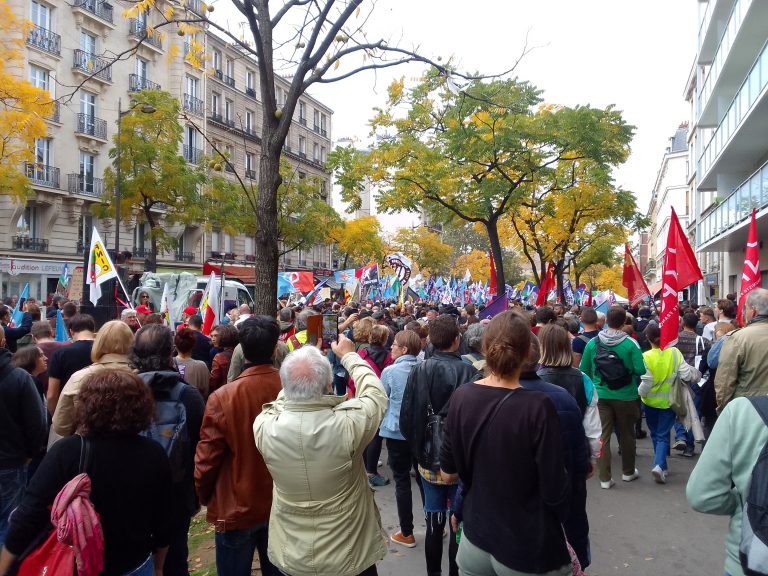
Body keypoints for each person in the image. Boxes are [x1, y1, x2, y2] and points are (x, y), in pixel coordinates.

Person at [0, 370, 173, 575]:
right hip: (136, 563)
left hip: (81, 566)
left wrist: (4, 566)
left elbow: (28, 515)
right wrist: (159, 565)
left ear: (87, 406)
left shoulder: (67, 452)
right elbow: (165, 518)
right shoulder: (154, 453)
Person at [440, 311, 572, 576]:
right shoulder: (538, 407)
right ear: (529, 352)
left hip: (476, 538)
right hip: (525, 544)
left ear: (485, 349)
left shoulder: (462, 396)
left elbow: (447, 474)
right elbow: (554, 489)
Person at [254, 337, 388, 576]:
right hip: (349, 556)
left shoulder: (264, 426)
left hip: (292, 554)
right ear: (328, 384)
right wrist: (349, 356)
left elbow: (286, 397)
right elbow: (375, 395)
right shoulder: (348, 425)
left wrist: (301, 370)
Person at [195, 317, 282, 576]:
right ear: (274, 349)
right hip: (281, 503)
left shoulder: (223, 397)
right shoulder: (291, 390)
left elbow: (206, 459)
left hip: (238, 505)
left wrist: (205, 495)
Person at [400, 315, 480, 576]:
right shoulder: (470, 372)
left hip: (428, 459)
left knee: (434, 521)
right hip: (459, 460)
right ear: (457, 340)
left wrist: (418, 450)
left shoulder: (419, 370)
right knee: (457, 523)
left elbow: (407, 416)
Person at [130, 324, 205, 576]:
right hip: (176, 492)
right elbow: (199, 445)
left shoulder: (121, 392)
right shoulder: (188, 395)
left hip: (133, 490)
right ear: (170, 351)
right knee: (175, 558)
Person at [687, 394, 768, 576]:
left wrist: (742, 503)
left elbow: (702, 496)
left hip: (751, 560)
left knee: (660, 434)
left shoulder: (742, 411)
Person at [579, 306, 646, 489]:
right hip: (626, 395)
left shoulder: (593, 343)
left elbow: (583, 369)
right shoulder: (631, 343)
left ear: (606, 321)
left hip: (601, 395)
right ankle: (628, 472)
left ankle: (605, 478)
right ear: (624, 322)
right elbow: (640, 370)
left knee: (603, 437)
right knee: (627, 434)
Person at [0, 327, 47, 546]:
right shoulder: (19, 378)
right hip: (10, 462)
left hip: (11, 460)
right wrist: (30, 453)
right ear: (3, 342)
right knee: (8, 521)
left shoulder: (20, 377)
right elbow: (37, 423)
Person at [639, 324, 700, 484]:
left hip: (649, 402)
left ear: (648, 338)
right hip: (670, 401)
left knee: (655, 433)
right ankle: (660, 466)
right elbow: (686, 375)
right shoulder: (674, 352)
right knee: (663, 434)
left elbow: (646, 382)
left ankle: (660, 465)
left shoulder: (645, 356)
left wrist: (640, 394)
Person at [51, 321, 134, 439]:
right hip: (133, 443)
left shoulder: (79, 377)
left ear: (99, 342)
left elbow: (61, 426)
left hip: (89, 444)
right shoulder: (142, 376)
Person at [379, 329, 423, 548]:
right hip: (420, 431)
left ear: (404, 349)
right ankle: (435, 523)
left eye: (395, 344)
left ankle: (407, 532)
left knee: (402, 480)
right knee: (423, 478)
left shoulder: (390, 371)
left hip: (396, 432)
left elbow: (381, 399)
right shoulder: (425, 368)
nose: (391, 347)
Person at [715, 288, 768, 413]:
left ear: (753, 311)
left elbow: (725, 382)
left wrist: (723, 411)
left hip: (749, 408)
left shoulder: (738, 338)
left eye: (746, 308)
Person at [356, 325, 393, 486]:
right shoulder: (389, 357)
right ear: (385, 339)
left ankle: (364, 469)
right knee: (376, 436)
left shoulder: (361, 353)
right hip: (378, 399)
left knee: (365, 433)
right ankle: (371, 472)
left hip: (361, 395)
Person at [47, 313, 96, 417]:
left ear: (70, 332)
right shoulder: (105, 350)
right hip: (100, 411)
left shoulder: (60, 353)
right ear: (93, 330)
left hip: (70, 413)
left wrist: (56, 417)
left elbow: (52, 395)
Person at [29, 321, 67, 399]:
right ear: (52, 333)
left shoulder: (30, 353)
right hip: (64, 397)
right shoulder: (66, 348)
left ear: (33, 337)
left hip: (40, 397)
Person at [174, 327, 210, 398]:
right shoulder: (201, 366)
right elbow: (206, 391)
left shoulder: (168, 364)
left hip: (174, 404)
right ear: (193, 346)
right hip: (195, 403)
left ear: (175, 345)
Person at [210, 324, 239, 393]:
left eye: (217, 336)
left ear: (223, 337)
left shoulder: (219, 357)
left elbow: (214, 381)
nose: (213, 339)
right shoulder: (240, 351)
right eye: (211, 336)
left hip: (223, 392)